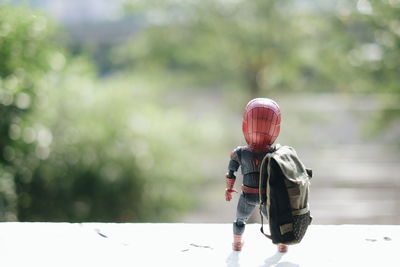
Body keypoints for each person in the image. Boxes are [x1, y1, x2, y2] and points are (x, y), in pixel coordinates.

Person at [225, 98, 288, 253]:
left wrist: (229, 189)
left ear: (246, 124)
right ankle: (281, 243)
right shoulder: (275, 152)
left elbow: (231, 172)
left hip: (247, 195)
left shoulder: (240, 152)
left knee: (240, 221)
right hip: (266, 196)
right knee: (275, 221)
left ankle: (237, 244)